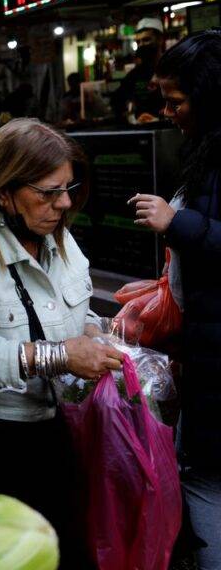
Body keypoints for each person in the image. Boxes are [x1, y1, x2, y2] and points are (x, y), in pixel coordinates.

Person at [0, 118, 125, 567]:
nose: (64, 203)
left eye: (68, 189)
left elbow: (70, 309)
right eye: (49, 192)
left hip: (54, 427)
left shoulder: (55, 232)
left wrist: (97, 332)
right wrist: (60, 355)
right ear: (3, 191)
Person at [130, 29, 221, 570]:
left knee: (204, 480)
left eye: (177, 100)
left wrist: (176, 222)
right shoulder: (205, 149)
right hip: (207, 349)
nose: (166, 112)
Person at [112, 17, 165, 123]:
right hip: (141, 128)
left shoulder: (173, 69)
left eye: (146, 40)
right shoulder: (135, 74)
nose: (141, 45)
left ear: (160, 39)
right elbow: (117, 101)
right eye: (138, 42)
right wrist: (128, 113)